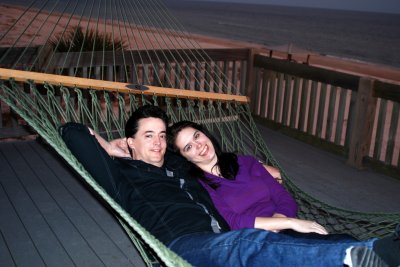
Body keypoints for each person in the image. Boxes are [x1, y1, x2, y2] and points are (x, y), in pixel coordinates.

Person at [60, 105, 396, 267]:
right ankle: (352, 258)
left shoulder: (179, 168)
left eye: (161, 136)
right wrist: (112, 146)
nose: (158, 143)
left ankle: (382, 249)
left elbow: (212, 158)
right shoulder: (124, 176)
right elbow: (72, 132)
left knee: (325, 238)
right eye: (148, 136)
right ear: (131, 142)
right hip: (180, 245)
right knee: (247, 244)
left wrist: (263, 171)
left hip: (219, 238)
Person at [168, 119, 400, 266]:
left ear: (205, 133)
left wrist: (284, 219)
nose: (198, 145)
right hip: (255, 242)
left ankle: (381, 252)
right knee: (333, 254)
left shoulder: (246, 162)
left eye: (197, 136)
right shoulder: (200, 185)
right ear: (184, 157)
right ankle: (385, 250)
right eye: (188, 147)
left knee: (343, 241)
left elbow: (283, 197)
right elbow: (233, 221)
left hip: (287, 227)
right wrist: (287, 222)